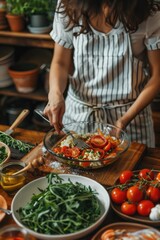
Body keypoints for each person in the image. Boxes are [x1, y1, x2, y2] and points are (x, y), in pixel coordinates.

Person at [44, 0, 160, 147]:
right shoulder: (69, 5)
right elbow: (60, 62)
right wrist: (55, 94)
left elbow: (157, 75)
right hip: (80, 115)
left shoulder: (147, 11)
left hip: (131, 119)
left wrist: (123, 120)